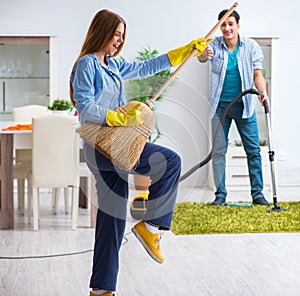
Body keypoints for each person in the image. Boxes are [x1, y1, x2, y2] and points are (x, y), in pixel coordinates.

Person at [70, 9, 209, 296]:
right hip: (103, 146)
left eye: (122, 36)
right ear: (102, 32)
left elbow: (147, 67)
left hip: (116, 145)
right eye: (116, 34)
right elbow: (85, 107)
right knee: (170, 162)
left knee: (113, 220)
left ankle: (101, 290)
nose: (119, 41)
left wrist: (183, 52)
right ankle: (152, 226)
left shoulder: (112, 65)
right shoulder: (87, 65)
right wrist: (119, 117)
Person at [198, 9, 271, 206]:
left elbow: (257, 74)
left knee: (253, 150)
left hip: (244, 106)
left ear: (238, 25)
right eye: (223, 24)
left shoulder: (251, 47)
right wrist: (204, 54)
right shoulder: (214, 45)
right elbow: (203, 58)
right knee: (219, 151)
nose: (227, 28)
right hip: (220, 107)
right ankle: (220, 195)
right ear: (220, 26)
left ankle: (258, 194)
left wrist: (263, 93)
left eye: (231, 23)